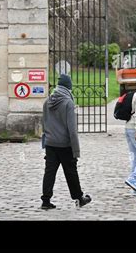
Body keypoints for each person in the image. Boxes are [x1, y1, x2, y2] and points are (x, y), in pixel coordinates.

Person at [41, 74, 91, 209]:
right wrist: (76, 150)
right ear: (69, 87)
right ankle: (79, 198)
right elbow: (72, 129)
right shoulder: (68, 102)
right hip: (65, 144)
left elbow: (44, 124)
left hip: (50, 144)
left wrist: (45, 142)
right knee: (71, 172)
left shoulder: (47, 101)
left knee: (49, 172)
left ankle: (45, 201)